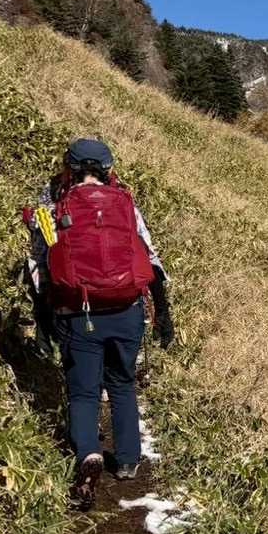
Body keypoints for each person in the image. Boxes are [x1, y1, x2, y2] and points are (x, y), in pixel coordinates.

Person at [25, 138, 174, 505]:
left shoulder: (51, 206)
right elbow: (149, 257)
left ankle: (88, 455)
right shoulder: (124, 203)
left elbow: (40, 266)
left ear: (69, 168)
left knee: (83, 391)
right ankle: (127, 461)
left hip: (78, 312)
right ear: (108, 170)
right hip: (126, 310)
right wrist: (163, 312)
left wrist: (42, 319)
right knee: (122, 383)